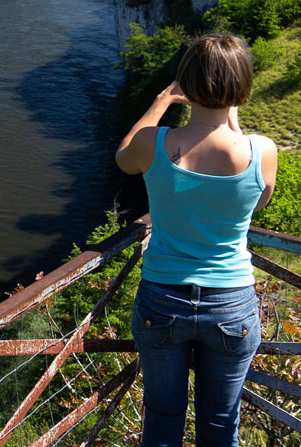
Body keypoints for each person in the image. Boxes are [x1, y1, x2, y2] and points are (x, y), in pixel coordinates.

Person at [114, 33, 277, 447]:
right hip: (232, 303)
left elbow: (123, 157)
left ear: (186, 82)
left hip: (163, 299)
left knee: (163, 419)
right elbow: (249, 210)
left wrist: (162, 99)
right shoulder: (262, 151)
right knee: (222, 423)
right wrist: (230, 115)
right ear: (244, 86)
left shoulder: (156, 143)